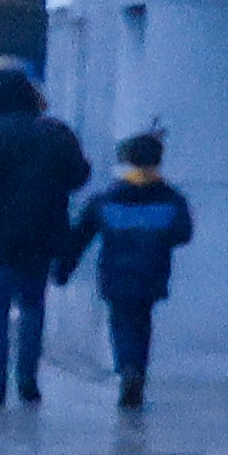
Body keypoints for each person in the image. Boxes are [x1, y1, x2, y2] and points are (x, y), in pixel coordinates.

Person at [0, 70, 86, 410]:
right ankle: (27, 380)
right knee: (32, 306)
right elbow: (79, 175)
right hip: (42, 232)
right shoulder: (55, 133)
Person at [75, 130, 200, 406]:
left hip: (116, 273)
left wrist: (62, 269)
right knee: (143, 322)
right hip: (152, 271)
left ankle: (127, 368)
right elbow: (183, 233)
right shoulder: (171, 199)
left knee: (120, 322)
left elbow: (82, 234)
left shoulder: (107, 198)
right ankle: (138, 371)